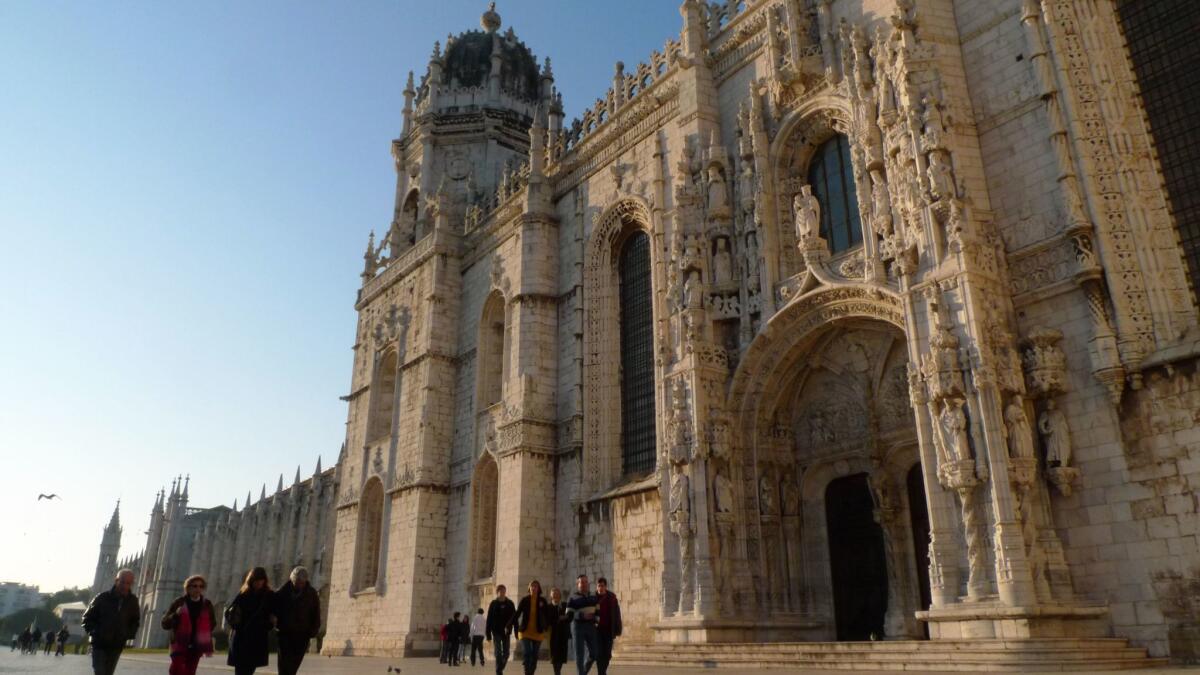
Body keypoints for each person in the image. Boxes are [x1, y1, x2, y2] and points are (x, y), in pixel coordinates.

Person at [82, 568, 141, 675]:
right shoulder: (102, 597)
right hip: (99, 644)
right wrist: (96, 632)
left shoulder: (133, 601)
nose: (124, 586)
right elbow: (87, 618)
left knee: (108, 673)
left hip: (116, 645)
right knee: (100, 672)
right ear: (116, 580)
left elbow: (135, 621)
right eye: (122, 582)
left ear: (131, 584)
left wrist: (127, 634)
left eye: (128, 583)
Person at [161, 574, 217, 675]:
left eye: (201, 586)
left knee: (190, 671)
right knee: (176, 669)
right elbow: (164, 623)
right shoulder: (179, 602)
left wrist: (203, 632)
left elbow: (212, 623)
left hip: (197, 645)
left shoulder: (207, 604)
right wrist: (175, 615)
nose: (198, 589)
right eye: (194, 586)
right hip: (179, 642)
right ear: (188, 588)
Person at [225, 567, 273, 675]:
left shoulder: (269, 596)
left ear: (265, 580)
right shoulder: (243, 594)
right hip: (241, 637)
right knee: (240, 671)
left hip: (257, 639)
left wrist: (268, 625)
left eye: (261, 579)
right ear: (251, 580)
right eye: (256, 580)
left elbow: (274, 613)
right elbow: (229, 612)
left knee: (249, 670)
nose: (259, 582)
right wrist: (236, 625)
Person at [274, 566, 321, 675]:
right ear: (292, 580)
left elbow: (316, 613)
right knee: (283, 665)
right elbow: (274, 606)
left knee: (294, 665)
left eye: (301, 582)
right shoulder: (283, 591)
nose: (299, 584)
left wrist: (313, 631)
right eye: (296, 582)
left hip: (302, 635)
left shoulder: (311, 594)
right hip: (285, 634)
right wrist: (274, 620)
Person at [511, 580, 550, 675]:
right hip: (525, 631)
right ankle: (526, 671)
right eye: (532, 586)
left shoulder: (542, 601)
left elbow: (547, 615)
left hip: (538, 632)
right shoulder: (525, 600)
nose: (534, 588)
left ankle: (531, 672)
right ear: (529, 588)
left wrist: (547, 626)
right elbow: (517, 613)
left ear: (539, 588)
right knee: (527, 652)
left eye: (536, 586)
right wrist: (509, 625)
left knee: (535, 655)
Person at [566, 575, 598, 675]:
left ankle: (583, 672)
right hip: (577, 627)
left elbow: (598, 610)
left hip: (590, 626)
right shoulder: (572, 597)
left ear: (588, 583)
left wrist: (596, 620)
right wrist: (581, 615)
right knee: (579, 655)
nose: (583, 584)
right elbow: (569, 615)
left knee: (594, 653)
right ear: (578, 584)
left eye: (585, 582)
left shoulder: (593, 596)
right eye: (581, 582)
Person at [593, 578, 621, 675]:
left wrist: (618, 628)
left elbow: (617, 614)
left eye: (602, 586)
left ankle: (602, 672)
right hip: (597, 630)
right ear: (596, 587)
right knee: (599, 654)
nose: (600, 588)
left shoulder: (612, 598)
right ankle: (601, 673)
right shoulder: (593, 598)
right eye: (598, 586)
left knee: (608, 654)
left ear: (606, 586)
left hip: (609, 630)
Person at [485, 585, 516, 674]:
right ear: (497, 592)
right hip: (496, 631)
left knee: (506, 654)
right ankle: (499, 671)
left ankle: (499, 669)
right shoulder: (493, 604)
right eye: (501, 591)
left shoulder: (510, 603)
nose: (503, 593)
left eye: (504, 591)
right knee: (498, 652)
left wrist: (515, 630)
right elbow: (489, 619)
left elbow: (514, 617)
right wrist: (488, 634)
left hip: (506, 632)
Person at [547, 588, 571, 675]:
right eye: (553, 594)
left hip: (563, 632)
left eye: (557, 593)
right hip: (553, 633)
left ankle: (558, 671)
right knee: (554, 654)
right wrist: (557, 619)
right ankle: (556, 672)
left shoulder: (565, 605)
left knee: (561, 653)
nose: (555, 595)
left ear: (560, 595)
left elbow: (570, 616)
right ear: (551, 596)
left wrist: (565, 617)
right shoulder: (549, 607)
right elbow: (547, 620)